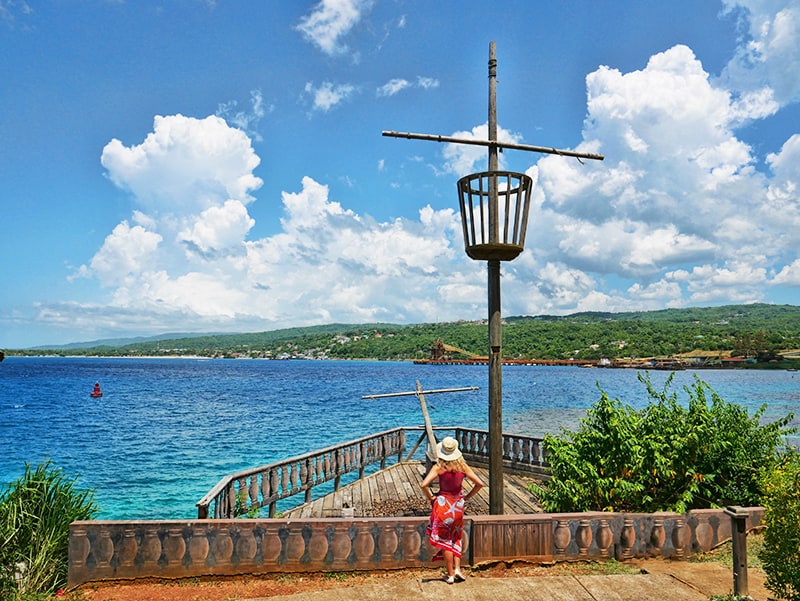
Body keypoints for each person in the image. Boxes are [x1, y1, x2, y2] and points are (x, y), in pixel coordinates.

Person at [420, 436, 483, 584]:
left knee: (445, 540)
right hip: (458, 505)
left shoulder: (439, 467)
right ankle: (457, 569)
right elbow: (479, 484)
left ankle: (449, 575)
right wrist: (466, 497)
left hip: (443, 505)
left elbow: (424, 485)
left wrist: (431, 497)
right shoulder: (463, 467)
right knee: (456, 536)